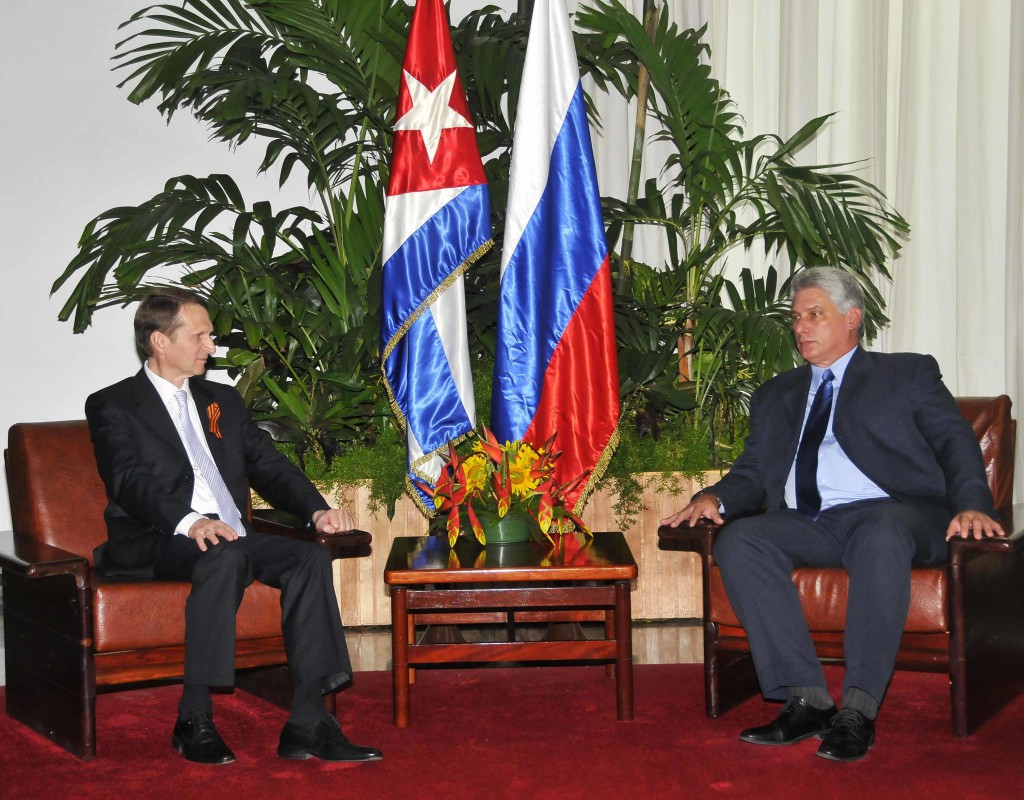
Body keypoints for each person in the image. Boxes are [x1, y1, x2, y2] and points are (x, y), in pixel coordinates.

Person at [663, 267, 1005, 762]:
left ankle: (858, 710)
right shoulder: (776, 395)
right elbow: (754, 471)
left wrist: (974, 502)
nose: (801, 326)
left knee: (880, 532)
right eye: (796, 318)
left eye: (814, 314)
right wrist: (714, 497)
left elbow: (955, 442)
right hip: (814, 522)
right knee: (742, 541)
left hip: (897, 514)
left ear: (851, 318)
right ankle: (807, 700)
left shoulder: (906, 373)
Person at [85, 288, 382, 766]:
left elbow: (266, 462)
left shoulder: (220, 399)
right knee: (222, 554)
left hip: (232, 536)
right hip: (158, 539)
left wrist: (315, 510)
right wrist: (190, 522)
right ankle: (193, 717)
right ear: (160, 341)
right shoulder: (113, 404)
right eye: (199, 335)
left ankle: (308, 723)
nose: (211, 346)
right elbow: (127, 481)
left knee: (307, 555)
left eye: (210, 335)